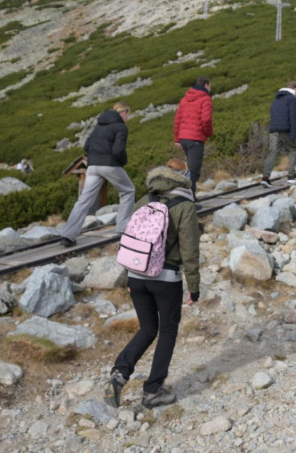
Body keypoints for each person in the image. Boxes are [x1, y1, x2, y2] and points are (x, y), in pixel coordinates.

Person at [108, 158, 201, 409]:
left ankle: (120, 371)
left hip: (137, 276)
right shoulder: (185, 205)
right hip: (166, 279)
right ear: (183, 175)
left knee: (147, 329)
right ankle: (153, 391)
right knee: (168, 331)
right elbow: (190, 249)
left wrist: (129, 275)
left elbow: (130, 237)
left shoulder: (146, 199)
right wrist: (194, 286)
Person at [59, 102, 136, 247]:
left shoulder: (99, 125)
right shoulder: (121, 127)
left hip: (93, 166)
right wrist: (122, 161)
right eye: (128, 114)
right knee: (128, 191)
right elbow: (118, 150)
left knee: (84, 200)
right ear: (124, 112)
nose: (128, 117)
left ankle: (68, 235)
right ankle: (123, 228)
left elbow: (87, 145)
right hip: (110, 165)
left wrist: (95, 157)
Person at [173, 76, 213, 198]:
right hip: (195, 139)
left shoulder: (185, 99)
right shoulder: (205, 99)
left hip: (184, 138)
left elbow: (177, 120)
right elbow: (206, 120)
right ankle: (186, 199)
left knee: (190, 169)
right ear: (206, 85)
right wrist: (208, 133)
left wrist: (177, 138)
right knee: (194, 171)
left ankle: (191, 197)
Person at [261, 81, 296, 186]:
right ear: (295, 89)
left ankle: (265, 178)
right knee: (293, 150)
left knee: (272, 152)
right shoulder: (292, 99)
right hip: (285, 129)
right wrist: (293, 133)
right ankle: (291, 176)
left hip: (273, 129)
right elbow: (293, 117)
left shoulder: (276, 99)